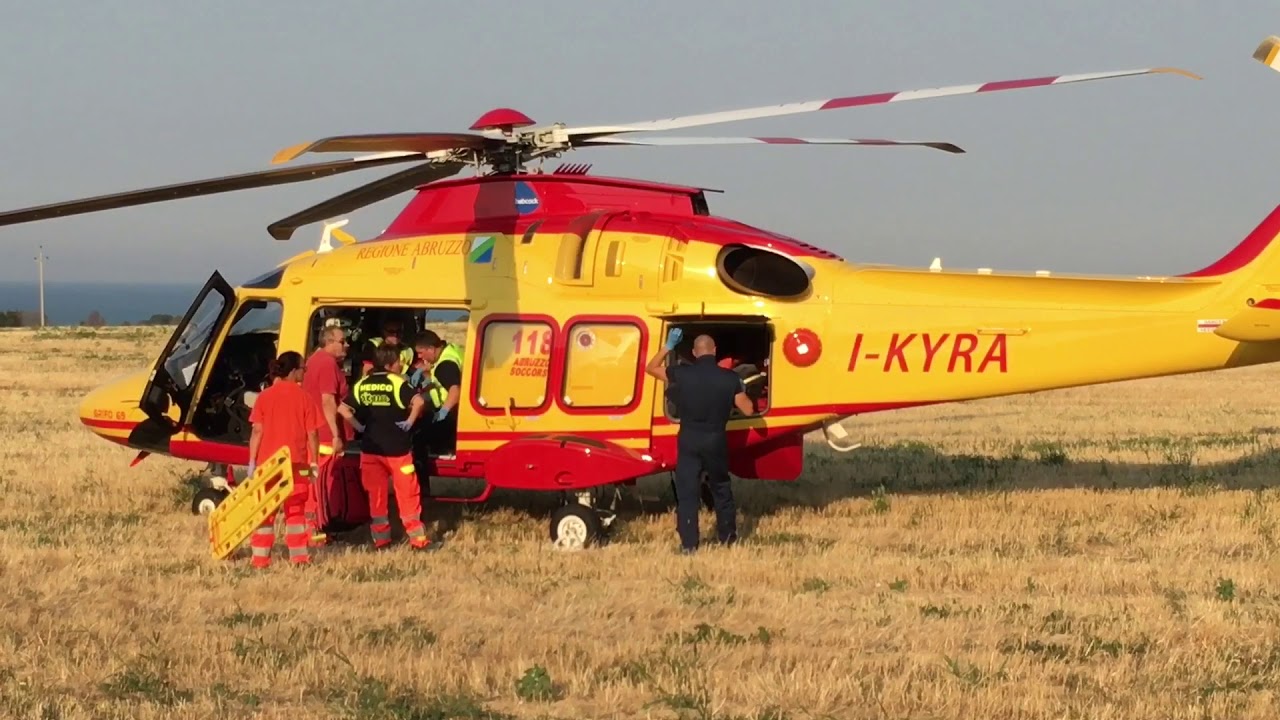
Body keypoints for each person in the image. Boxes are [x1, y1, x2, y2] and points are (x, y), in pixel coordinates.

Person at [645, 329, 754, 554]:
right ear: (714, 352)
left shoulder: (682, 374)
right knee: (721, 489)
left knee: (687, 493)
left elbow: (651, 368)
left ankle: (689, 544)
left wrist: (668, 347)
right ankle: (727, 537)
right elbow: (748, 409)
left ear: (695, 353)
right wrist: (740, 388)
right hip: (715, 439)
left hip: (689, 439)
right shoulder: (730, 378)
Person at [340, 344, 431, 550]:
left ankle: (381, 541)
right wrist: (409, 421)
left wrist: (360, 427)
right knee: (408, 495)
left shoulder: (363, 384)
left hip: (371, 449)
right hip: (398, 450)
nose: (401, 365)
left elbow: (343, 409)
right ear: (391, 364)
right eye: (399, 361)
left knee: (376, 497)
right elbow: (418, 401)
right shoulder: (397, 383)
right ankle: (417, 540)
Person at [246, 351, 325, 569]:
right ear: (293, 371)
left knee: (264, 515)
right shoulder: (305, 398)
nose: (305, 372)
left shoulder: (264, 397)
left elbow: (257, 432)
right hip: (296, 466)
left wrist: (252, 462)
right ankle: (299, 558)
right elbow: (313, 435)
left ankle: (260, 559)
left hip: (268, 467)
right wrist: (314, 462)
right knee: (296, 514)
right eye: (303, 368)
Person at [301, 324, 352, 545]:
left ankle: (319, 528)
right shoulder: (327, 364)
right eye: (342, 341)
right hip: (324, 436)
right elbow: (327, 400)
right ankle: (315, 531)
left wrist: (355, 422)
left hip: (317, 432)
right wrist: (336, 434)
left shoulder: (315, 361)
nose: (346, 345)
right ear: (329, 342)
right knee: (320, 484)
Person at [413, 330, 463, 456]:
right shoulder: (450, 349)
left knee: (421, 438)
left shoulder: (445, 365)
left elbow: (455, 390)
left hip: (452, 411)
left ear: (431, 349)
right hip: (457, 409)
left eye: (421, 352)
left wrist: (443, 411)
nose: (419, 356)